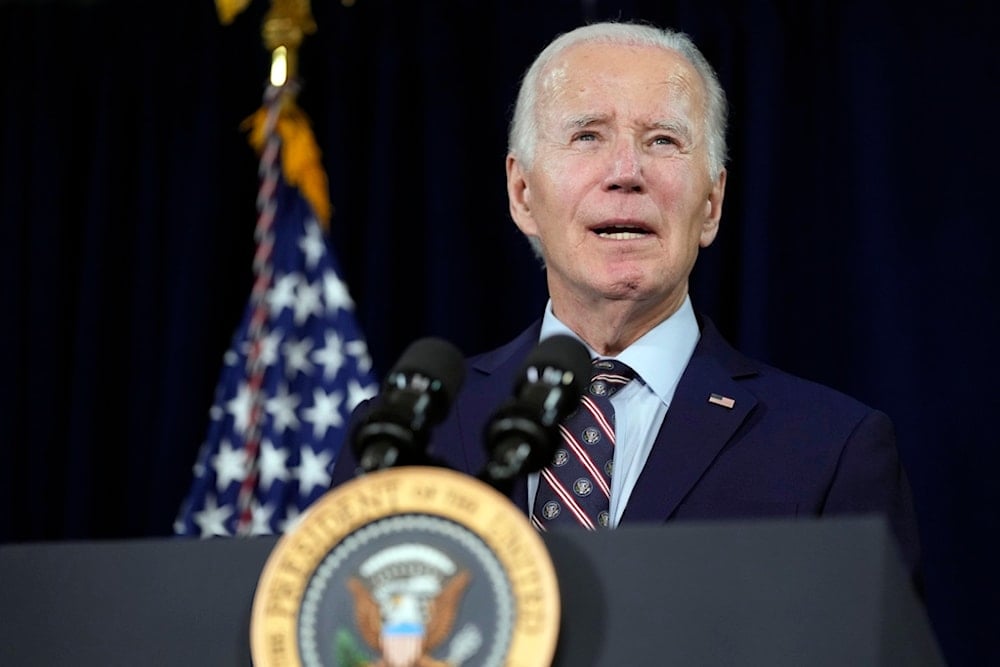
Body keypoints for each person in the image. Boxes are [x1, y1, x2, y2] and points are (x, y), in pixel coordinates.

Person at [330, 20, 921, 585]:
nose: (625, 172)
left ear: (711, 203)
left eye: (662, 140)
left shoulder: (827, 449)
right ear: (522, 193)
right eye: (587, 135)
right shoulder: (407, 440)